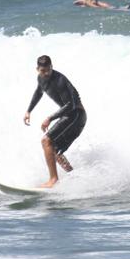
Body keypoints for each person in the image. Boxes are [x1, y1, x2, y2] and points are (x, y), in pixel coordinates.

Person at [24, 55, 86, 188]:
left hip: (76, 115)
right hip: (70, 116)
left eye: (48, 70)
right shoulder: (41, 78)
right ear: (37, 69)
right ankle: (75, 178)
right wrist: (29, 111)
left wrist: (49, 118)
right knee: (54, 150)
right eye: (42, 71)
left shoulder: (60, 80)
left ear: (52, 67)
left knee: (46, 141)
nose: (46, 73)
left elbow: (70, 105)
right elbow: (39, 92)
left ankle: (53, 180)